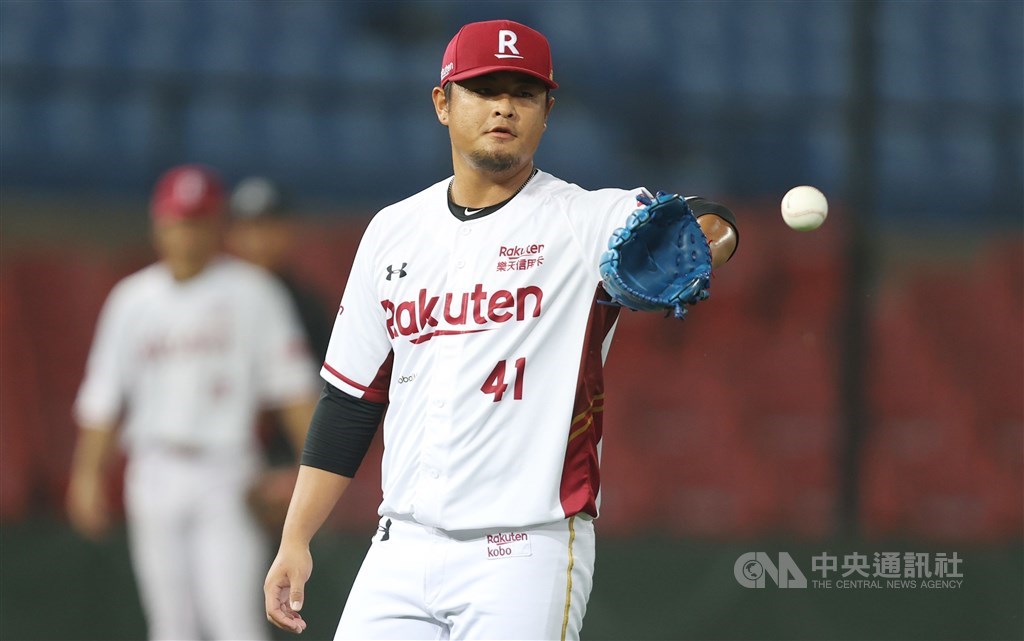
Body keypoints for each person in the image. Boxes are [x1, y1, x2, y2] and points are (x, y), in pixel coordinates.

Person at [264, 19, 739, 641]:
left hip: (524, 551)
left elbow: (709, 221)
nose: (505, 108)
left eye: (524, 92)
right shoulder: (392, 232)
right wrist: (296, 536)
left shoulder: (585, 221)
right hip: (400, 545)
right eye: (485, 90)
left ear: (547, 110)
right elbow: (351, 401)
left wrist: (711, 238)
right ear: (443, 102)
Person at [66, 164, 320, 641]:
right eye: (178, 220)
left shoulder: (253, 292)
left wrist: (309, 478)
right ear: (158, 223)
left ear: (216, 225)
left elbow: (295, 393)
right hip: (153, 467)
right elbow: (102, 398)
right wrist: (86, 475)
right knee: (169, 624)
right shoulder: (133, 299)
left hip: (226, 471)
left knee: (234, 620)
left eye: (198, 220)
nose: (186, 233)